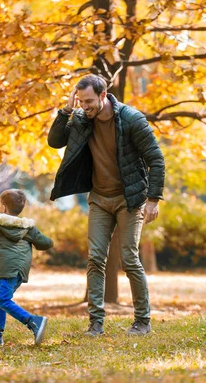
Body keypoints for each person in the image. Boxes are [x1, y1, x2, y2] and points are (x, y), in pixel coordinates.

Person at [47, 74, 165, 336]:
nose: (85, 106)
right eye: (80, 101)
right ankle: (96, 323)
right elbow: (54, 141)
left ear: (103, 96)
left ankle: (142, 321)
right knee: (95, 258)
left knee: (129, 258)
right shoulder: (80, 119)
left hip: (129, 199)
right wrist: (66, 111)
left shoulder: (132, 119)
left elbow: (156, 160)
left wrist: (153, 200)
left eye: (89, 101)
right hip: (99, 198)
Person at [0, 189, 54, 345]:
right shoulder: (27, 227)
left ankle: (33, 321)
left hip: (7, 267)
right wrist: (34, 237)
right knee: (0, 298)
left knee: (3, 300)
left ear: (3, 208)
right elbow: (46, 243)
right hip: (21, 268)